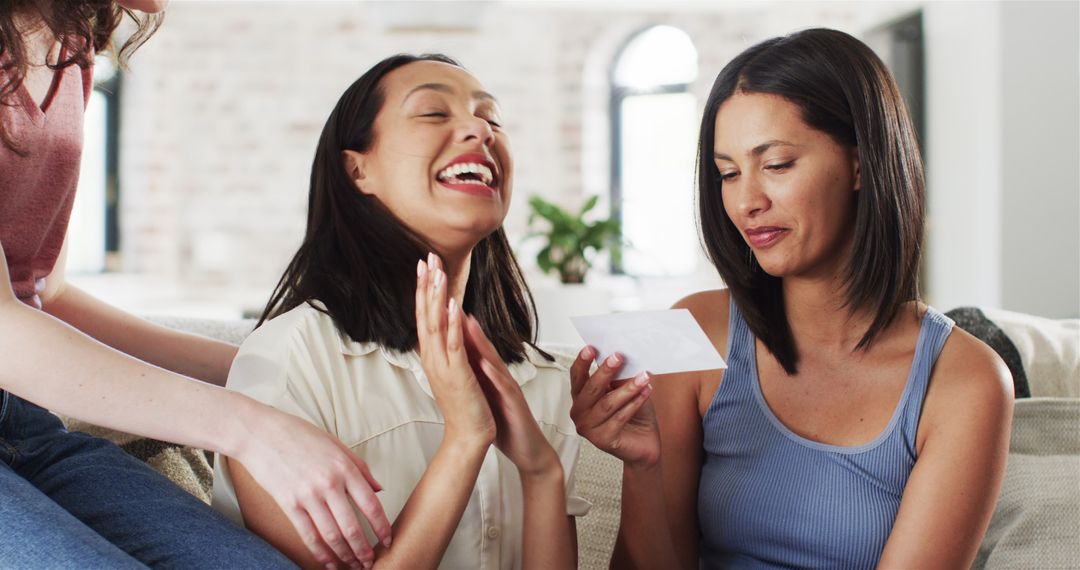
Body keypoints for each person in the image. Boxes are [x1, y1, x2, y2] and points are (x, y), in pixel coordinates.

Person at [569, 28, 1013, 569]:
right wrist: (642, 466)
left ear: (860, 162)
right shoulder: (697, 332)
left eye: (776, 164)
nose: (746, 201)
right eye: (728, 173)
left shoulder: (965, 379)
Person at [0, 2, 391, 567]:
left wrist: (268, 369)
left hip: (25, 421)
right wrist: (249, 427)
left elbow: (45, 294)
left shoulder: (69, 48)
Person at [211, 53, 586, 569]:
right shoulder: (291, 361)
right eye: (434, 112)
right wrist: (466, 439)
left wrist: (542, 472)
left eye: (491, 118)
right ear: (357, 169)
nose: (479, 130)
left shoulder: (542, 382)